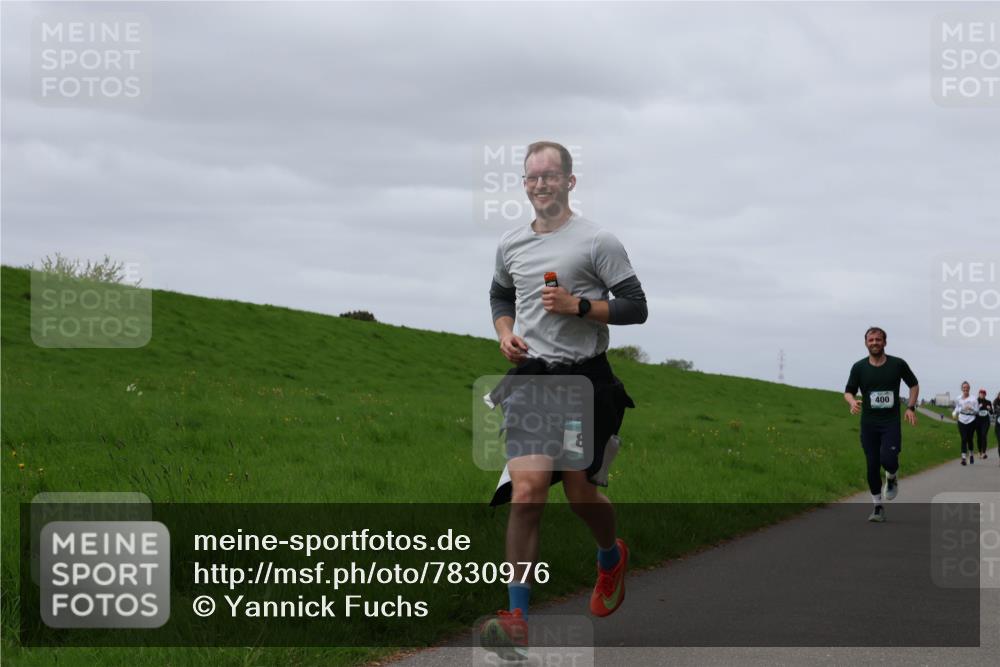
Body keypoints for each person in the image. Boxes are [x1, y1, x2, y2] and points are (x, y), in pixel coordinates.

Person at [480, 141, 647, 656]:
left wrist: (580, 307)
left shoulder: (597, 241)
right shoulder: (511, 244)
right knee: (527, 493)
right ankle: (516, 619)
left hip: (585, 384)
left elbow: (636, 307)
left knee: (579, 495)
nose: (539, 185)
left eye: (549, 176)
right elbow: (500, 294)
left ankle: (609, 556)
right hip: (532, 381)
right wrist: (505, 331)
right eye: (531, 178)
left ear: (569, 182)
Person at [843, 326, 919, 523]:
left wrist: (910, 407)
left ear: (885, 342)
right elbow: (848, 391)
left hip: (890, 423)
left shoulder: (898, 364)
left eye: (878, 339)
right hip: (869, 424)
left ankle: (892, 476)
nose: (875, 343)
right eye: (871, 340)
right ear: (866, 343)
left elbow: (914, 384)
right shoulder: (859, 367)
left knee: (889, 459)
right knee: (871, 465)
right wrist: (852, 402)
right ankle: (877, 506)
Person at [952, 382, 978, 465]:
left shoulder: (973, 399)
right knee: (963, 439)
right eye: (964, 388)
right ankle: (963, 458)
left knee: (969, 439)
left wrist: (971, 408)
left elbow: (977, 411)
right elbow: (957, 408)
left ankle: (971, 454)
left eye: (967, 388)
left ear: (969, 389)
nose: (965, 389)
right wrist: (955, 413)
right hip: (961, 420)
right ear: (962, 389)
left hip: (971, 420)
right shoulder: (958, 398)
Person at [975, 389, 992, 459]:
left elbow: (992, 412)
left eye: (983, 394)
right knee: (979, 437)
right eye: (981, 393)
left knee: (984, 435)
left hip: (985, 421)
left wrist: (990, 409)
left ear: (985, 395)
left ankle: (984, 453)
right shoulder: (975, 401)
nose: (982, 395)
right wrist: (978, 407)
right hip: (978, 421)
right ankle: (979, 452)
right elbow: (973, 411)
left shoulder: (988, 402)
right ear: (979, 394)